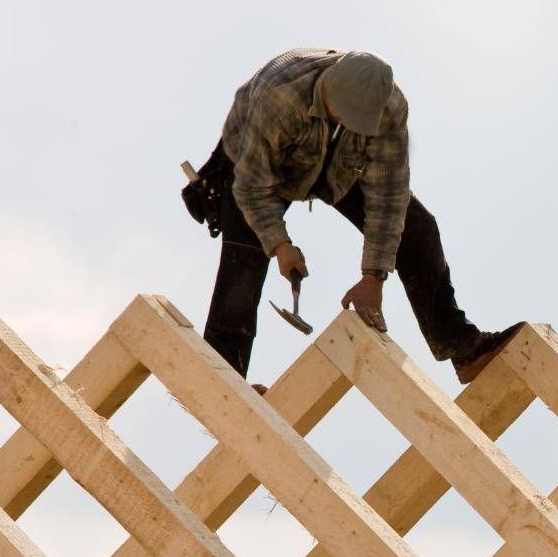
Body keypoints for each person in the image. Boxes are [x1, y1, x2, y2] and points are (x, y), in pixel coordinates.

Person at [182, 48, 521, 383]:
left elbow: (389, 198)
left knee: (418, 229)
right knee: (242, 268)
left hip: (336, 164)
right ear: (328, 87)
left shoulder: (387, 107)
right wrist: (280, 244)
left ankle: (462, 346)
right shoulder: (280, 98)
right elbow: (252, 188)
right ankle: (223, 382)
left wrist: (373, 277)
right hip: (255, 165)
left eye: (354, 120)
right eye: (341, 114)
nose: (346, 121)